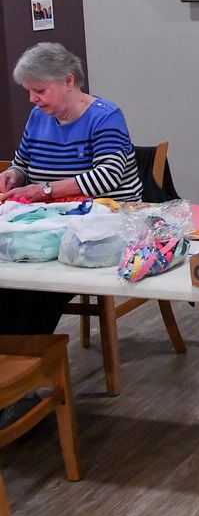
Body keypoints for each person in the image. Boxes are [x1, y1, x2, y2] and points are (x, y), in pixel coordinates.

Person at [0, 43, 142, 341]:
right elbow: (23, 162)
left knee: (42, 290)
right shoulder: (39, 117)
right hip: (53, 220)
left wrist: (46, 190)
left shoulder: (106, 117)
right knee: (12, 285)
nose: (32, 99)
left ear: (68, 81)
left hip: (101, 225)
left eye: (39, 90)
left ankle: (27, 366)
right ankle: (12, 364)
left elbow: (107, 177)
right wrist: (13, 174)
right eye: (29, 91)